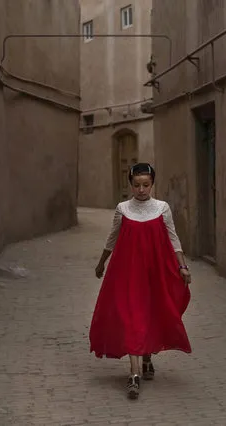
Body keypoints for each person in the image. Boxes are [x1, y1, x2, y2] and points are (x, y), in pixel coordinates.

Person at [89, 162, 192, 400]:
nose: (142, 190)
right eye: (137, 185)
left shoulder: (162, 208)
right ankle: (134, 374)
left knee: (151, 313)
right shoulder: (122, 209)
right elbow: (112, 237)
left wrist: (183, 266)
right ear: (131, 185)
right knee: (131, 316)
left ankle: (147, 357)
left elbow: (173, 238)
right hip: (126, 272)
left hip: (156, 272)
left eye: (146, 185)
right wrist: (101, 262)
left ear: (152, 184)